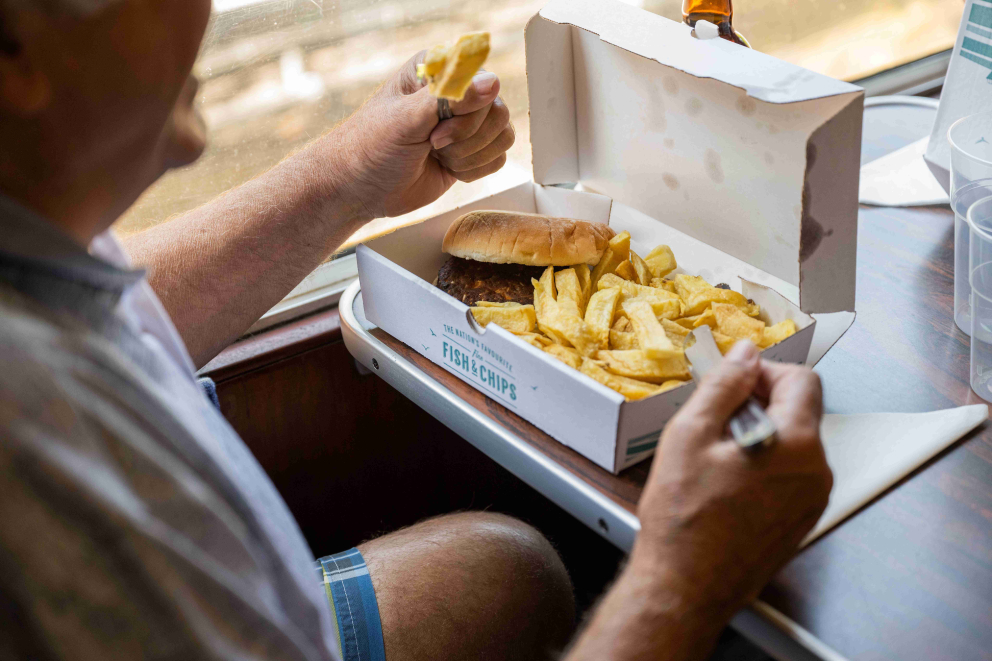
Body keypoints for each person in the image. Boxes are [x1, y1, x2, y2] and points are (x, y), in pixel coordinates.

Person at [0, 1, 833, 660]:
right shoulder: (38, 450)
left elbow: (129, 307)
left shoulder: (34, 245)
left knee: (507, 572)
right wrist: (682, 581)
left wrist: (350, 172)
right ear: (16, 58)